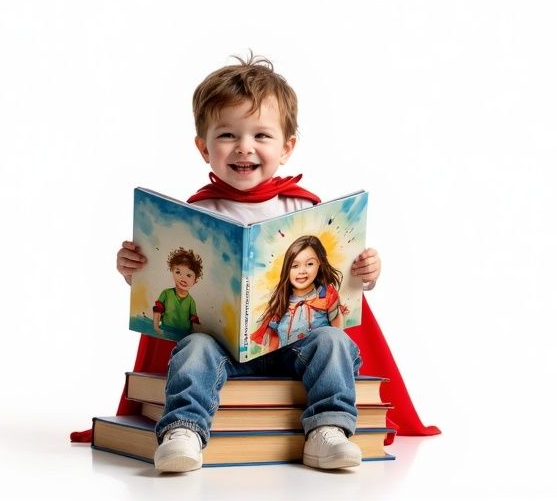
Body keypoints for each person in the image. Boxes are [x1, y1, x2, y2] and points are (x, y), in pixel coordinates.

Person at [69, 53, 440, 470]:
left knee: (333, 342)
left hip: (294, 346)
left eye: (261, 135)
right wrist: (133, 268)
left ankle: (328, 430)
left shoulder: (306, 210)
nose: (244, 147)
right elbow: (164, 287)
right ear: (203, 148)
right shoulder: (192, 219)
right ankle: (184, 431)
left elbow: (338, 290)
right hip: (221, 351)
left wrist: (366, 273)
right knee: (193, 349)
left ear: (287, 147)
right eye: (227, 134)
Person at [251, 235, 349, 350]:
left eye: (310, 264)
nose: (302, 271)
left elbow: (338, 336)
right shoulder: (281, 302)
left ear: (320, 264)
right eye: (295, 266)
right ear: (287, 268)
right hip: (287, 362)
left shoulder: (326, 294)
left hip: (319, 359)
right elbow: (274, 338)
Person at [152, 247, 203, 337]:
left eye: (188, 275)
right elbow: (157, 311)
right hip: (165, 332)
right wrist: (156, 328)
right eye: (178, 272)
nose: (183, 278)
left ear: (195, 281)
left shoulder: (191, 301)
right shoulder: (166, 294)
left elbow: (194, 323)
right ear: (172, 272)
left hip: (184, 336)